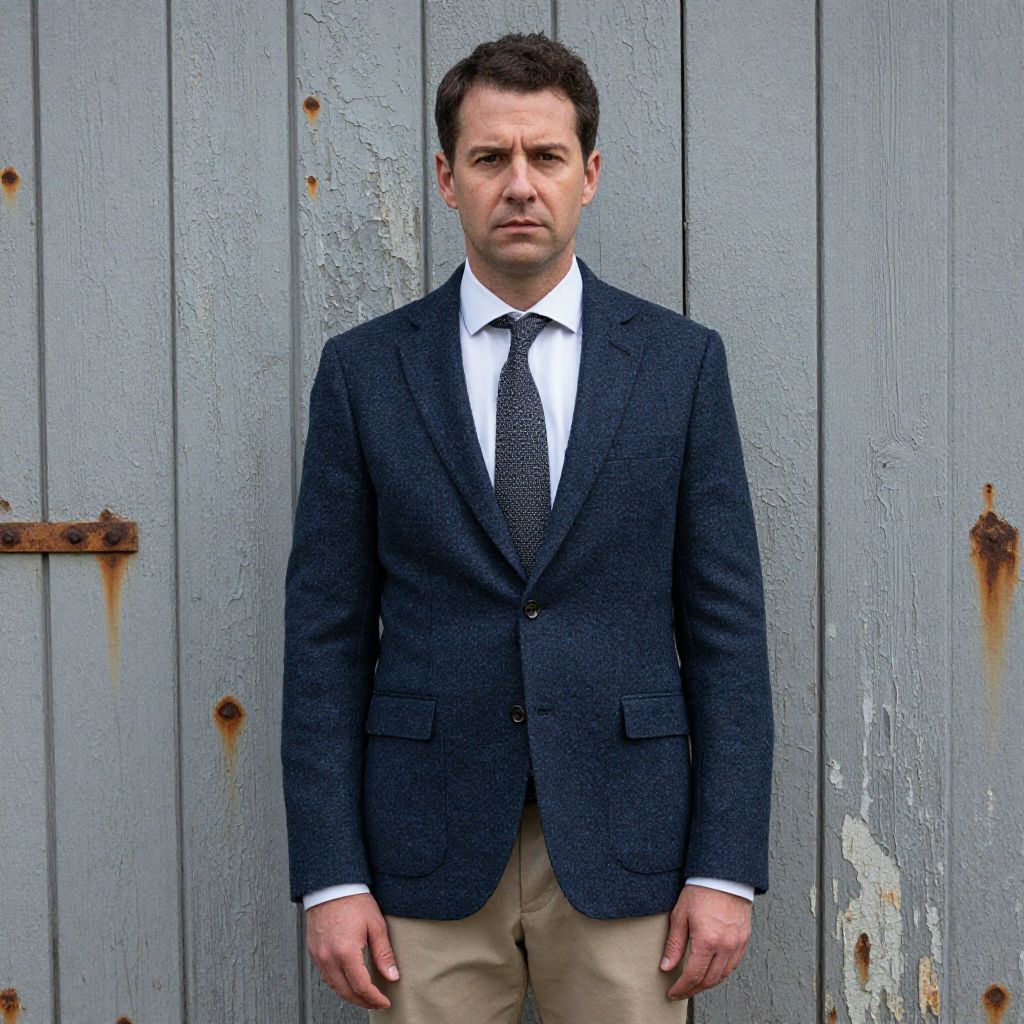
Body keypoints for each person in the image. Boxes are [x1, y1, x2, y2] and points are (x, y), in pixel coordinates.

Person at [280, 31, 773, 1023]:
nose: (518, 183)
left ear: (587, 175)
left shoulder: (678, 367)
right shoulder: (365, 373)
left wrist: (726, 864)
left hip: (628, 850)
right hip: (423, 855)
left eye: (544, 156)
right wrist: (330, 878)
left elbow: (726, 630)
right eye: (488, 157)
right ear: (444, 176)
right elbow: (324, 638)